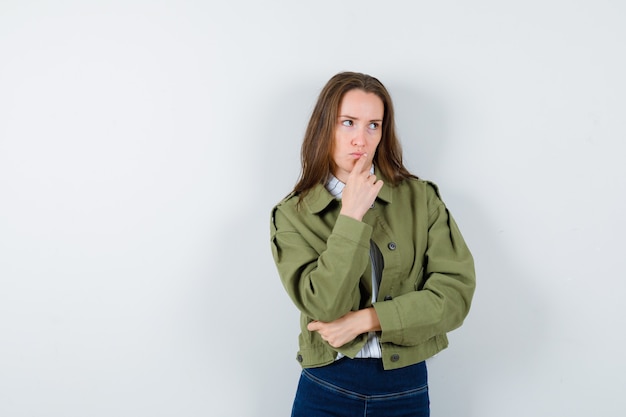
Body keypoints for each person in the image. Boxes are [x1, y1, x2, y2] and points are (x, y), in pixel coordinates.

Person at [269, 71, 476, 417]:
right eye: (348, 122)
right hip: (326, 385)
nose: (360, 140)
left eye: (373, 125)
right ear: (325, 128)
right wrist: (350, 215)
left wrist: (367, 320)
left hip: (405, 388)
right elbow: (324, 305)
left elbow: (455, 296)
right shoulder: (293, 214)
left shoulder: (420, 198)